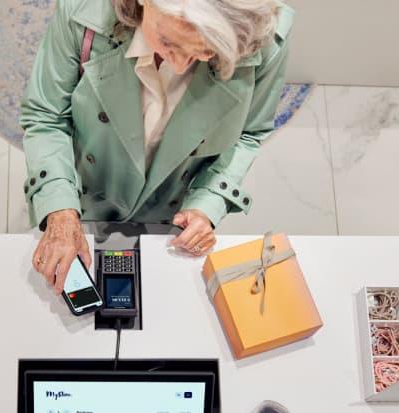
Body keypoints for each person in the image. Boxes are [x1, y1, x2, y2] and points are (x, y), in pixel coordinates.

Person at [21, 0, 294, 294]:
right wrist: (60, 209)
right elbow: (46, 116)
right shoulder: (82, 13)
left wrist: (208, 202)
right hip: (85, 190)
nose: (179, 66)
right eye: (168, 41)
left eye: (206, 52)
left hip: (171, 210)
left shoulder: (261, 34)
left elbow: (249, 133)